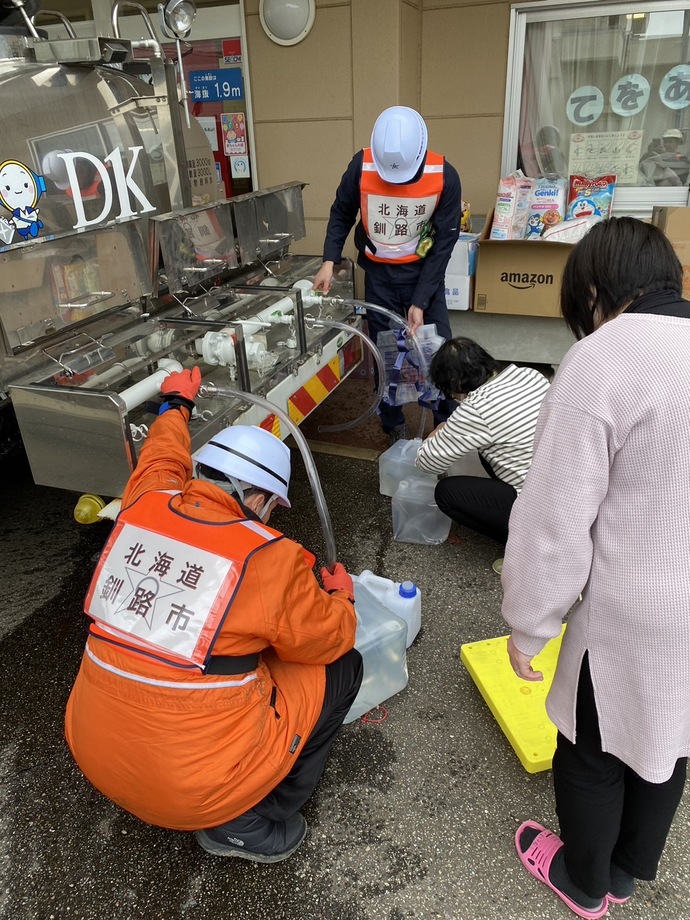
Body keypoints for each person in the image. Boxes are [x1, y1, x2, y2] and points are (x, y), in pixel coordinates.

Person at [65, 367, 362, 863]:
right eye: (272, 507)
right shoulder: (268, 556)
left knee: (223, 657)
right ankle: (248, 818)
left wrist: (177, 403)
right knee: (344, 666)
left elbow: (162, 454)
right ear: (259, 498)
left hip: (94, 754)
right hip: (197, 789)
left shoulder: (143, 503)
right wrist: (343, 601)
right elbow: (328, 639)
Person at [501, 217, 690, 917]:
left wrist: (530, 624)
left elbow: (556, 520)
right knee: (669, 734)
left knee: (591, 745)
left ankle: (586, 881)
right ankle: (629, 869)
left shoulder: (605, 358)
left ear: (592, 290)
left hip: (629, 607)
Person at [312, 105, 462, 442]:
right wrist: (328, 261)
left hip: (424, 277)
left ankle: (444, 422)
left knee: (436, 352)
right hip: (379, 277)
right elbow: (341, 212)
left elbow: (443, 245)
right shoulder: (362, 165)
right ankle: (392, 419)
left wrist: (421, 300)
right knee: (389, 353)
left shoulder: (444, 175)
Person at [414, 337, 549, 572]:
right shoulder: (529, 375)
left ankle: (529, 547)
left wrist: (436, 435)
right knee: (489, 450)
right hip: (568, 489)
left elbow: (427, 462)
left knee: (447, 492)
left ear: (455, 383)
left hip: (538, 506)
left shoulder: (476, 408)